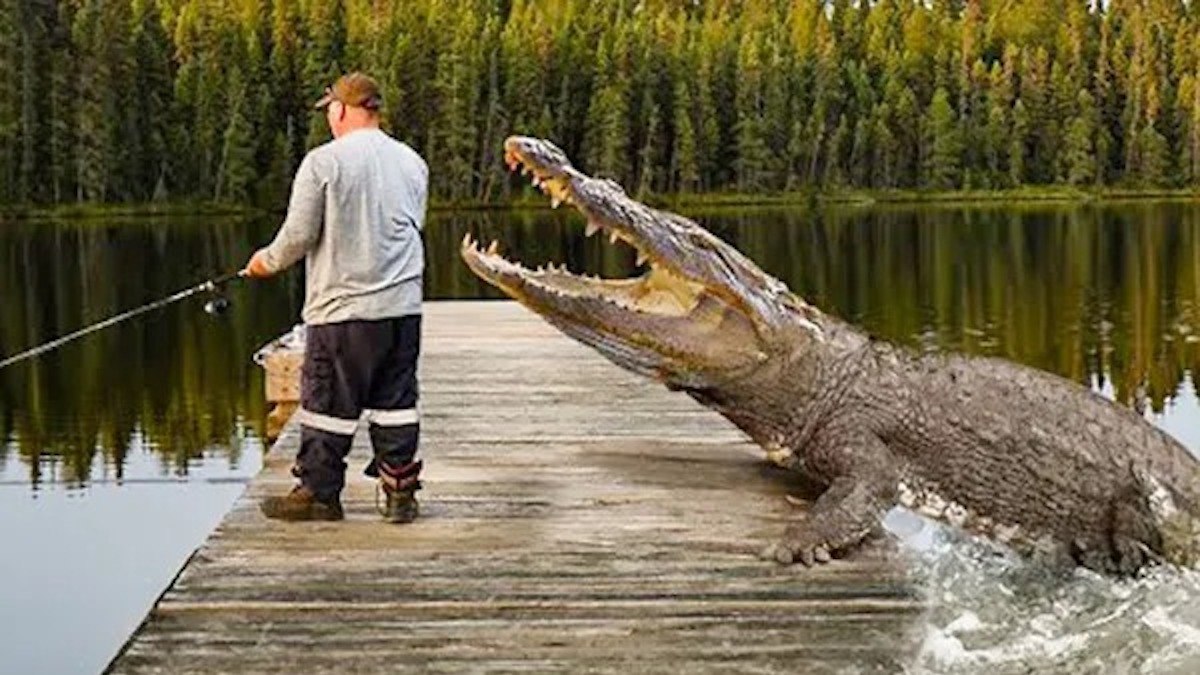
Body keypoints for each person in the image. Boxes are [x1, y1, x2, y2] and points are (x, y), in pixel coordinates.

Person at [243, 72, 429, 524]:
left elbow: (299, 236)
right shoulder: (412, 162)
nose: (328, 116)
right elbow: (412, 226)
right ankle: (399, 493)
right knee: (396, 402)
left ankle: (319, 495)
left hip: (342, 311)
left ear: (343, 109)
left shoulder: (322, 162)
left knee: (326, 403)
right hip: (402, 310)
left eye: (330, 108)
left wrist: (263, 263)